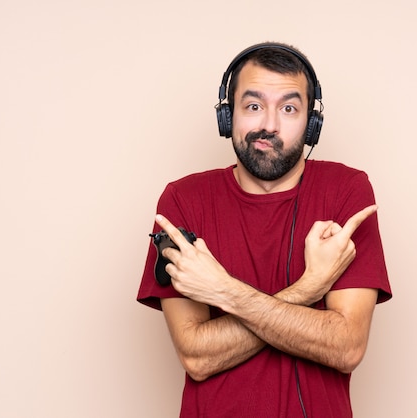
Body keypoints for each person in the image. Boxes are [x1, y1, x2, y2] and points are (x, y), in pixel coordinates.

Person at [137, 42, 392, 418]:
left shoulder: (346, 191)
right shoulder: (183, 200)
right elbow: (196, 355)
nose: (269, 125)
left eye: (289, 108)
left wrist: (223, 291)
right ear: (228, 117)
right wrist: (309, 288)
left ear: (312, 123)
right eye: (253, 106)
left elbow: (346, 348)